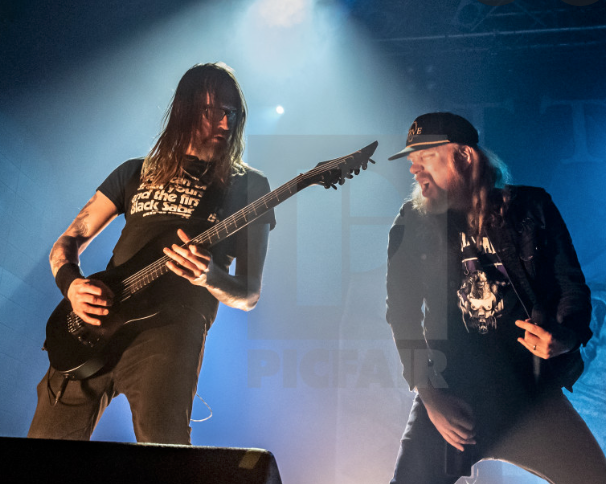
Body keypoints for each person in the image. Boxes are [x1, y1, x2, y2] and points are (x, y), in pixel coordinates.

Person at [28, 62, 275, 444]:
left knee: (163, 451)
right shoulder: (135, 172)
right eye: (214, 112)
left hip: (172, 327)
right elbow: (69, 240)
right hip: (97, 320)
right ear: (186, 110)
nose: (226, 125)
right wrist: (73, 286)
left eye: (233, 114)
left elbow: (249, 293)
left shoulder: (249, 186)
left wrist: (209, 276)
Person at [385, 112, 606, 483]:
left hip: (530, 395)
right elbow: (402, 315)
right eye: (413, 163)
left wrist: (564, 338)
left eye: (427, 159)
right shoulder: (411, 223)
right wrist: (432, 399)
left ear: (465, 157)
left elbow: (571, 287)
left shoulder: (532, 209)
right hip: (452, 394)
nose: (415, 170)